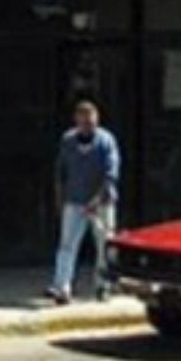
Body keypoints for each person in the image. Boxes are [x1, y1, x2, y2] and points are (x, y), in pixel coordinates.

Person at [48, 100, 120, 305]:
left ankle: (102, 286)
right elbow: (61, 171)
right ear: (76, 120)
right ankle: (62, 287)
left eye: (91, 119)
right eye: (83, 119)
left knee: (104, 244)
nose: (87, 123)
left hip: (102, 202)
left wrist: (97, 200)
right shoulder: (68, 141)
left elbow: (110, 174)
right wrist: (60, 198)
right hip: (74, 200)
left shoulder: (106, 141)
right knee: (67, 244)